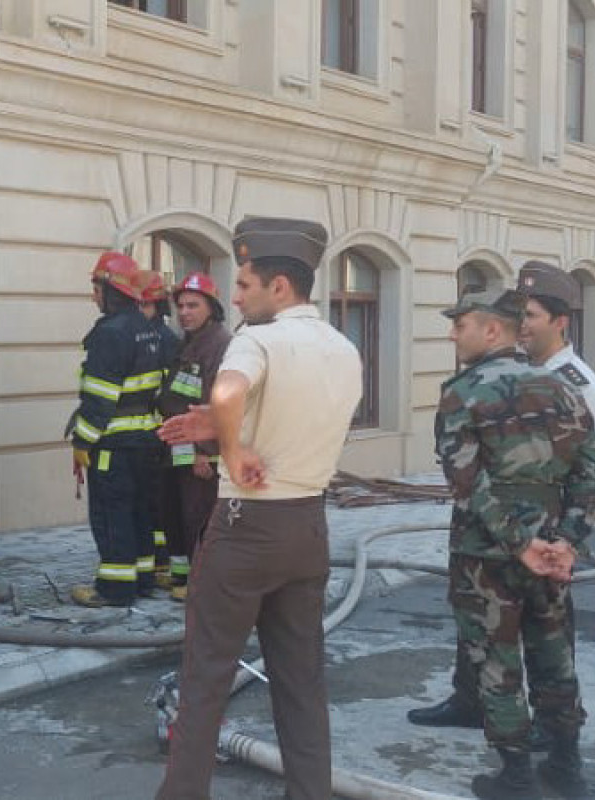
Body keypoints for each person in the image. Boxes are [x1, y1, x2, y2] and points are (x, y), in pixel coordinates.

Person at [155, 217, 363, 800]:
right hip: (308, 527)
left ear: (279, 288)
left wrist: (231, 445)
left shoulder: (256, 338)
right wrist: (220, 426)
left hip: (246, 526)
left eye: (245, 284)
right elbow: (286, 412)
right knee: (301, 684)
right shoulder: (343, 348)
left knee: (205, 682)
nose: (237, 296)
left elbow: (229, 390)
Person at [408, 262, 595, 747]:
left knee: (505, 659)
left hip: (501, 550)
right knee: (540, 654)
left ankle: (517, 768)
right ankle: (554, 752)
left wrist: (537, 544)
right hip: (542, 548)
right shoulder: (556, 384)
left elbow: (468, 482)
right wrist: (566, 543)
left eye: (460, 326)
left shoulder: (569, 382)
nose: (453, 336)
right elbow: (594, 478)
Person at [67, 253, 165, 608]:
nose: (93, 295)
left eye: (96, 287)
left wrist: (83, 441)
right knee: (140, 511)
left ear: (110, 290)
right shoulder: (148, 329)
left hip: (113, 445)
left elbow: (100, 399)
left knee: (112, 514)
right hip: (146, 442)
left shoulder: (109, 334)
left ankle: (115, 588)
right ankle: (141, 578)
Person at [155, 272, 231, 602]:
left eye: (193, 305)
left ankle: (202, 581)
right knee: (177, 510)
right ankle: (183, 574)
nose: (184, 312)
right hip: (180, 442)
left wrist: (204, 450)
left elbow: (218, 402)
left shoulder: (219, 345)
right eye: (181, 305)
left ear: (211, 308)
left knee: (199, 513)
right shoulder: (189, 342)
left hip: (201, 448)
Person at [136, 269, 180, 587]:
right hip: (150, 436)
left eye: (145, 306)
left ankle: (162, 564)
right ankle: (156, 564)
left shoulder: (165, 341)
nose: (141, 313)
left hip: (162, 435)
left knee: (160, 504)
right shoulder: (150, 338)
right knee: (152, 503)